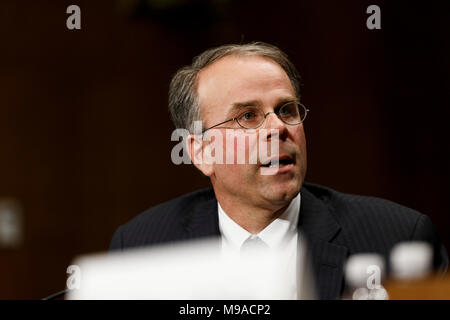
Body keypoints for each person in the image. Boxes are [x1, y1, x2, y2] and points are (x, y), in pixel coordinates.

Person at [109, 42, 448, 299]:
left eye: (286, 109)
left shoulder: (398, 238)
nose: (278, 128)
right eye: (248, 116)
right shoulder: (142, 248)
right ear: (201, 152)